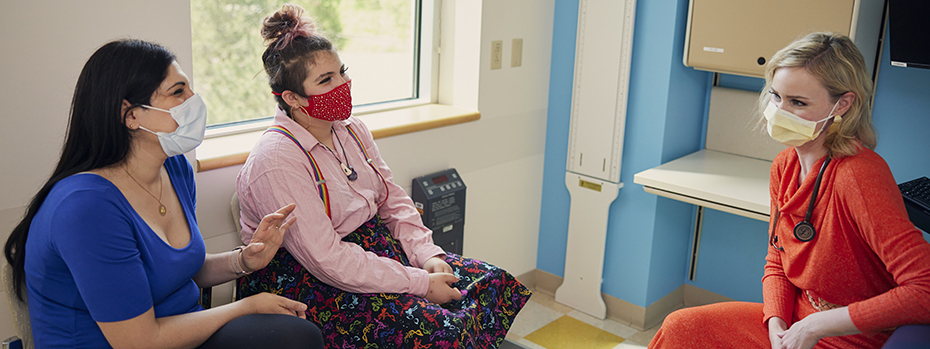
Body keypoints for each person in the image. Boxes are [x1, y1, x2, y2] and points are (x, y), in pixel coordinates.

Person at [235, 4, 531, 348]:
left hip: (374, 251)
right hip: (310, 278)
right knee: (441, 330)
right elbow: (327, 259)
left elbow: (392, 200)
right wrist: (420, 283)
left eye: (342, 72)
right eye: (326, 80)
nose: (343, 84)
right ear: (292, 98)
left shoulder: (351, 130)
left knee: (490, 283)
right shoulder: (276, 160)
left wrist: (429, 256)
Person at [3, 39, 325, 349]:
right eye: (178, 92)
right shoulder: (86, 208)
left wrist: (244, 260)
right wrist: (245, 306)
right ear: (131, 116)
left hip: (182, 331)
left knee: (298, 333)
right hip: (139, 342)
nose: (194, 99)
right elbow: (139, 341)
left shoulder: (174, 169)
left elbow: (178, 268)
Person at [649, 32, 930, 349]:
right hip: (796, 323)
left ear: (842, 104)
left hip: (850, 337)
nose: (780, 112)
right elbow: (777, 262)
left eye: (798, 103)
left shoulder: (859, 175)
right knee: (681, 327)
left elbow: (925, 289)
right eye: (776, 96)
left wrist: (816, 327)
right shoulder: (784, 166)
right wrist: (776, 322)